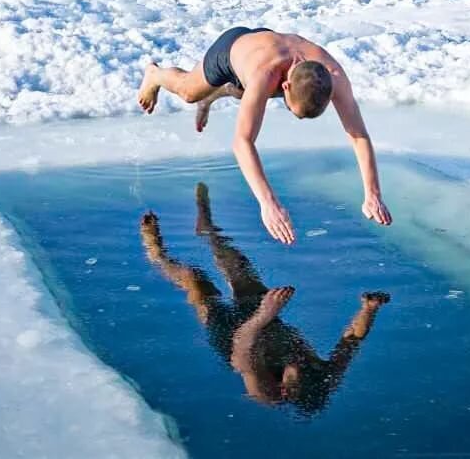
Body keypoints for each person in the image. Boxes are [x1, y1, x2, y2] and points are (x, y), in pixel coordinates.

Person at [139, 183, 390, 414]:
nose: (299, 363)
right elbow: (351, 342)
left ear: (284, 388)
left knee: (195, 280)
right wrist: (369, 309)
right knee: (236, 264)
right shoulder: (323, 377)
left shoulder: (264, 392)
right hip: (267, 319)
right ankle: (208, 229)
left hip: (231, 333)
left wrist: (265, 314)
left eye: (296, 373)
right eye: (305, 368)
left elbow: (241, 350)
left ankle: (156, 253)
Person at [137, 26, 392, 243]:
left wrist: (373, 194)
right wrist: (268, 203)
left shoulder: (333, 75)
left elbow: (358, 135)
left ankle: (213, 96)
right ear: (285, 87)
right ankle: (155, 74)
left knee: (244, 94)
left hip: (264, 51)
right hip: (233, 50)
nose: (296, 118)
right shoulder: (266, 74)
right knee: (188, 93)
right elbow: (242, 142)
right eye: (295, 111)